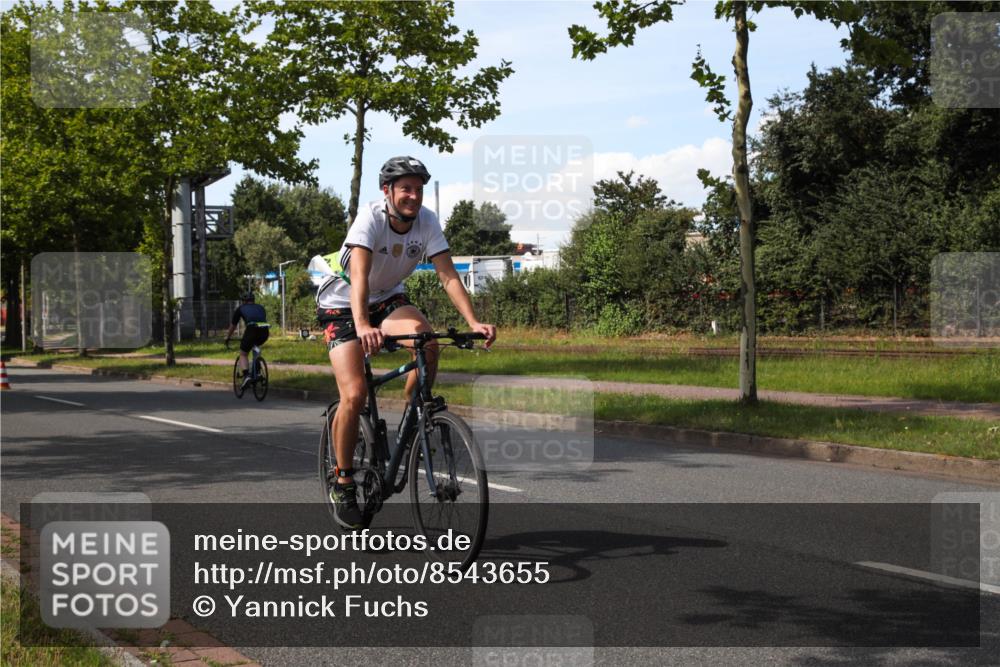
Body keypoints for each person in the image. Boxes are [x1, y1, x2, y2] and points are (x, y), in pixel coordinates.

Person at [316, 155, 496, 530]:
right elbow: (360, 277)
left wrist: (473, 321)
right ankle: (344, 480)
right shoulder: (370, 219)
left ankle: (416, 418)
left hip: (387, 299)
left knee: (427, 341)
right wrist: (364, 325)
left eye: (418, 189)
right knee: (354, 395)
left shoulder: (427, 221)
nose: (413, 196)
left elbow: (447, 275)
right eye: (406, 189)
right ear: (388, 192)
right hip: (343, 303)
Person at [225, 292, 270, 388]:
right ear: (253, 300)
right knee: (256, 347)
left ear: (243, 301)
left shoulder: (240, 308)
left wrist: (228, 337)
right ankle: (257, 372)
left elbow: (233, 326)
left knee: (243, 353)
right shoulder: (261, 307)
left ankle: (246, 376)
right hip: (265, 330)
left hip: (252, 329)